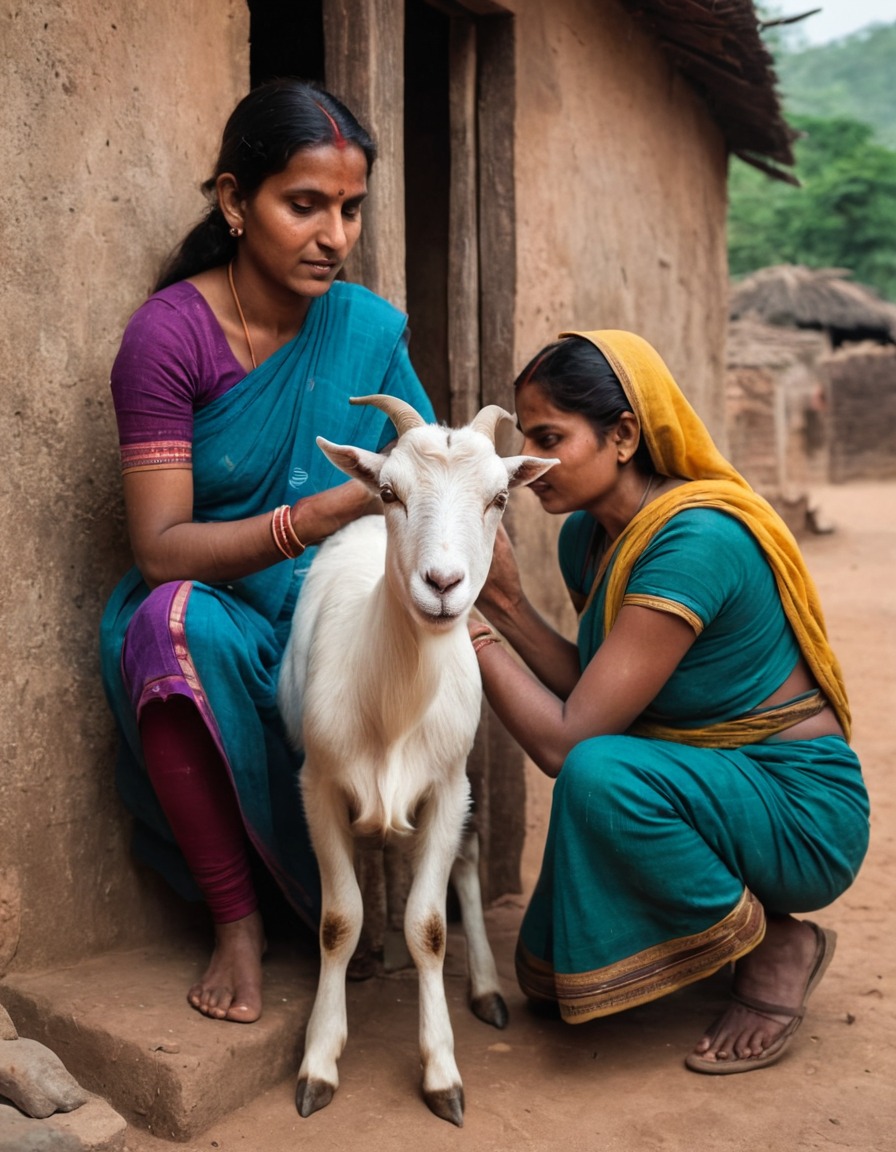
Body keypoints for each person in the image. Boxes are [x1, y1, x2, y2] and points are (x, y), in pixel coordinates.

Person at [99, 79, 434, 1024]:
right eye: (305, 205)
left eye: (350, 209)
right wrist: (313, 519)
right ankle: (238, 921)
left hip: (334, 623)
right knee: (166, 626)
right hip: (223, 613)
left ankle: (361, 894)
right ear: (236, 202)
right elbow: (161, 549)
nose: (334, 235)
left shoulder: (367, 331)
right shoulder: (169, 338)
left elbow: (430, 476)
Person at [468, 329, 869, 1073]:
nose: (528, 461)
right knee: (550, 987)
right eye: (526, 436)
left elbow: (567, 741)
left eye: (550, 436)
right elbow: (593, 689)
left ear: (623, 435)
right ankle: (723, 922)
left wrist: (465, 625)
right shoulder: (587, 538)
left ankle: (781, 941)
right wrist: (506, 602)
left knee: (598, 773)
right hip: (714, 786)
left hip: (801, 812)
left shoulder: (696, 541)